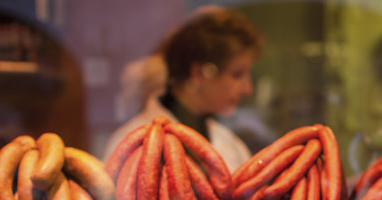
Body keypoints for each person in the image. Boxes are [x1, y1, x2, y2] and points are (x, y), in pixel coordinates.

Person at [102, 7, 263, 172]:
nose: (247, 89)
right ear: (199, 72)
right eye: (237, 75)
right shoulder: (128, 144)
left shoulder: (232, 146)